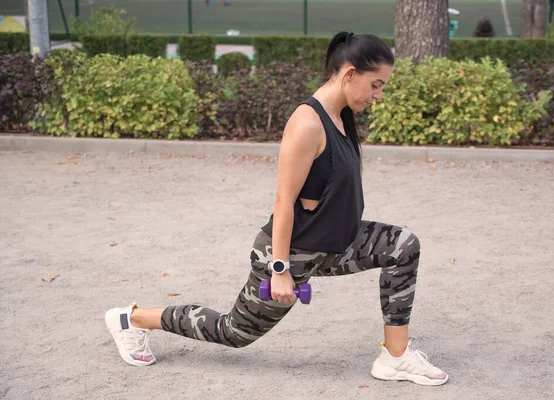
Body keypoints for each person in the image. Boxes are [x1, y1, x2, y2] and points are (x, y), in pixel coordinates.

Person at [104, 31, 448, 386]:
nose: (378, 96)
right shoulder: (308, 123)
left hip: (335, 244)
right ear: (349, 74)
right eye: (376, 85)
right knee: (233, 331)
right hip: (290, 252)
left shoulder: (342, 115)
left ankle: (395, 357)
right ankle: (132, 319)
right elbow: (284, 200)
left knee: (403, 245)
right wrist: (280, 269)